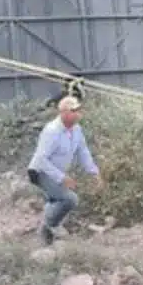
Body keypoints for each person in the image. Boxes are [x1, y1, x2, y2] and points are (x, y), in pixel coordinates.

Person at [26, 95, 103, 245]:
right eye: (74, 110)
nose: (78, 113)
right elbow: (42, 159)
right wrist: (62, 178)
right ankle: (48, 226)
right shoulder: (52, 131)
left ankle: (47, 232)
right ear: (64, 113)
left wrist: (94, 172)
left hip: (56, 172)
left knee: (57, 200)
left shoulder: (76, 130)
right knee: (69, 199)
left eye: (79, 110)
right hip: (41, 171)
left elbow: (83, 152)